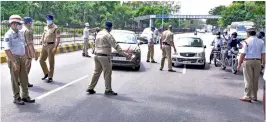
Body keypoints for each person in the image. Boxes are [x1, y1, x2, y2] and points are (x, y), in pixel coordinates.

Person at [86, 21, 131, 95]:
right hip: (104, 56)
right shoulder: (108, 35)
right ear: (110, 28)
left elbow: (92, 36)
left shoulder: (99, 33)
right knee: (107, 73)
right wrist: (125, 54)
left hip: (96, 55)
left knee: (96, 72)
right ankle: (108, 89)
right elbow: (115, 46)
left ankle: (90, 88)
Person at [3, 15, 35, 105]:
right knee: (15, 79)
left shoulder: (20, 32)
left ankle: (25, 96)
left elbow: (24, 45)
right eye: (18, 24)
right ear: (13, 24)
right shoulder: (8, 35)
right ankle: (16, 97)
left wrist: (28, 57)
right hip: (14, 58)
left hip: (22, 57)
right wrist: (14, 62)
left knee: (24, 77)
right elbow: (7, 50)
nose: (20, 25)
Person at [237, 27, 265, 102]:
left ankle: (247, 96)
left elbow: (242, 54)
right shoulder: (261, 41)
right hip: (258, 62)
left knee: (248, 79)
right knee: (255, 79)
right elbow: (263, 54)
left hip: (248, 61)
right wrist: (263, 64)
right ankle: (254, 96)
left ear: (248, 33)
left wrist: (239, 64)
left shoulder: (246, 41)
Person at [39, 14, 60, 83]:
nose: (47, 21)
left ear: (52, 20)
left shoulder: (55, 28)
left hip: (51, 46)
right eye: (47, 19)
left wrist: (55, 47)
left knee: (51, 62)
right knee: (41, 60)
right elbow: (43, 35)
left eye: (49, 20)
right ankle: (46, 73)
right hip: (44, 45)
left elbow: (58, 38)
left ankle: (50, 76)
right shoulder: (45, 27)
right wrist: (42, 41)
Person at [22, 17, 38, 87]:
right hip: (27, 51)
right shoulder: (28, 31)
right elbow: (30, 44)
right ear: (29, 23)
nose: (32, 24)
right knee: (27, 67)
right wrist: (34, 54)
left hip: (21, 51)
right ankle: (25, 82)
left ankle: (20, 80)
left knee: (23, 67)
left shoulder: (21, 29)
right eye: (31, 22)